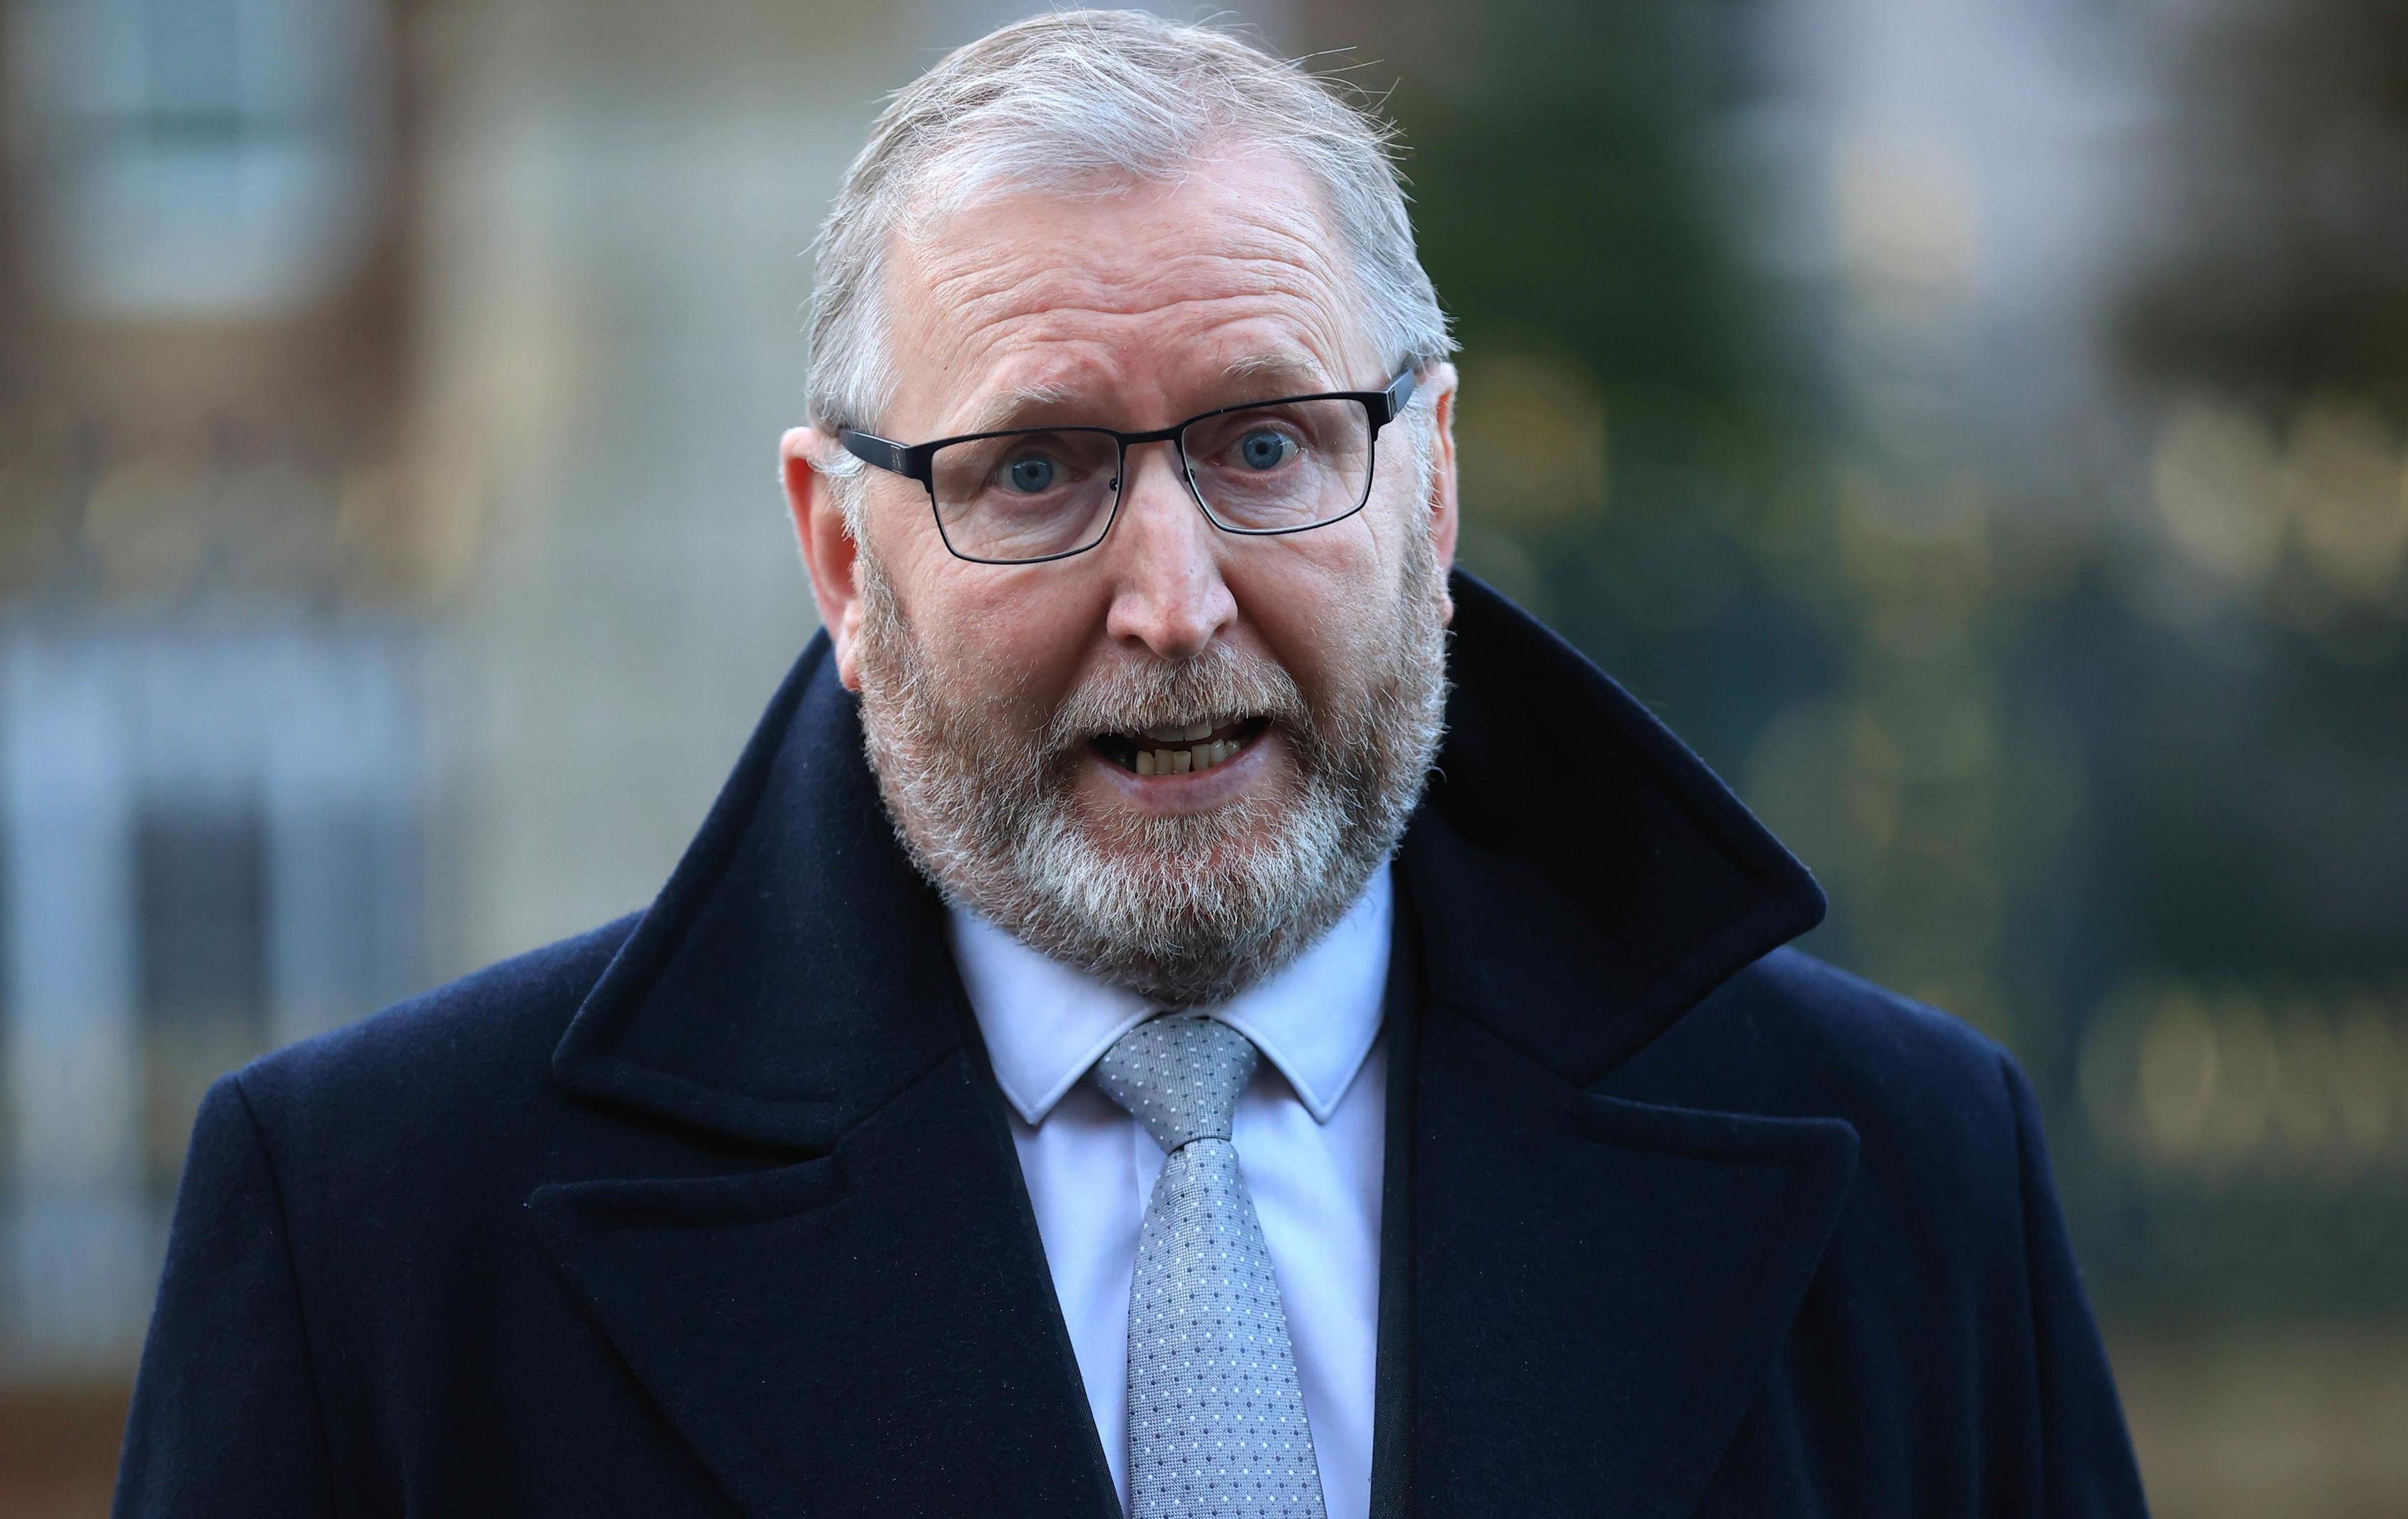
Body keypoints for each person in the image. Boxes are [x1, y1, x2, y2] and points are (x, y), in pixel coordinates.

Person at [113, 11, 2148, 1518]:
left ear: (1430, 486)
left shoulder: (1909, 1172)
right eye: (1038, 468)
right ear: (844, 553)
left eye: (1268, 444)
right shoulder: (379, 1242)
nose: (1171, 601)